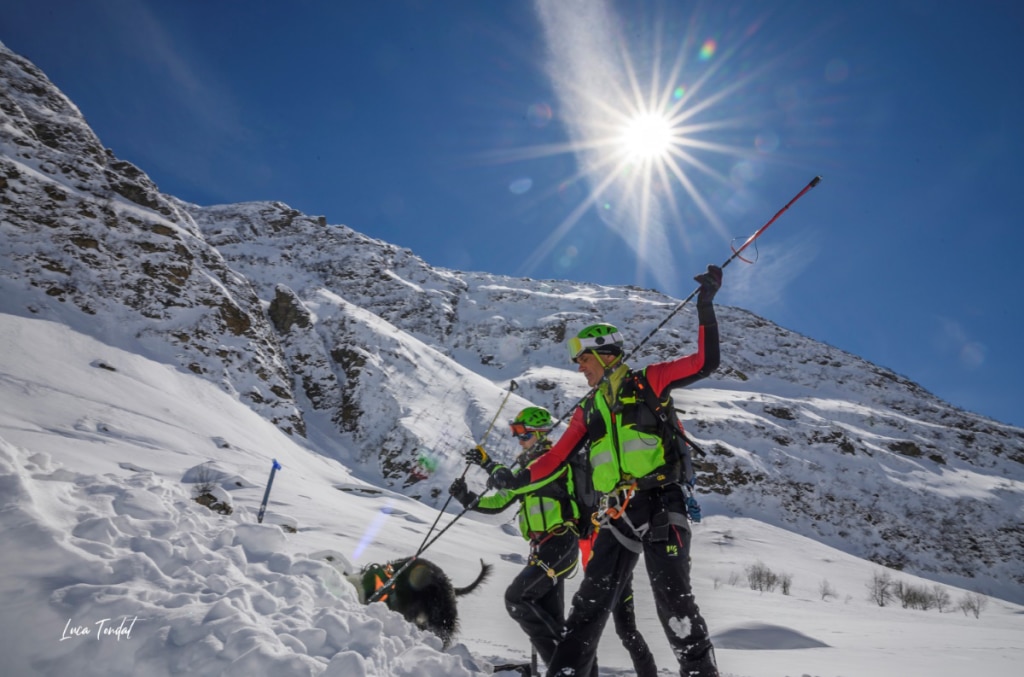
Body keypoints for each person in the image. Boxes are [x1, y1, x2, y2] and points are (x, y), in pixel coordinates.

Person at [473, 264, 723, 677]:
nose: (578, 367)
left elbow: (703, 362)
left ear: (605, 354)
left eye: (583, 358)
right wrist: (515, 479)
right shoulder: (587, 409)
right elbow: (554, 459)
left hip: (663, 500)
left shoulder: (649, 382)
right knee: (588, 605)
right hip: (617, 512)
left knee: (673, 602)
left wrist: (706, 308)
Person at [448, 406, 581, 670]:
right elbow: (499, 502)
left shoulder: (552, 461)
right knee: (551, 619)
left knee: (517, 599)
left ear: (542, 434)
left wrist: (487, 463)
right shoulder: (527, 468)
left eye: (523, 434)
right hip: (544, 547)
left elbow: (512, 483)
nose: (519, 440)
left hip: (560, 543)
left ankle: (564, 669)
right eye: (516, 434)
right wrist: (466, 497)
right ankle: (569, 669)